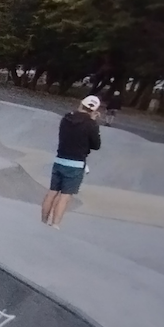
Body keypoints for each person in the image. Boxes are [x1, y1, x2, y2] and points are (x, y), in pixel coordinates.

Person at [41, 95, 102, 229]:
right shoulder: (91, 124)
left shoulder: (66, 118)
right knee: (65, 196)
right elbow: (96, 145)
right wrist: (92, 122)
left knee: (52, 192)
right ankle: (55, 224)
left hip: (60, 160)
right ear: (94, 110)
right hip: (76, 164)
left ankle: (43, 221)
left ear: (81, 104)